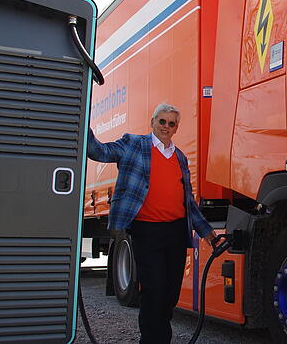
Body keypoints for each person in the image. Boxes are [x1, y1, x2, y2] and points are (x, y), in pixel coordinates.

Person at [87, 103, 221, 344]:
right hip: (147, 230)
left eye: (171, 123)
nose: (166, 127)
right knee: (153, 290)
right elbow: (101, 152)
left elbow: (188, 202)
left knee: (170, 293)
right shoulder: (133, 144)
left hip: (175, 231)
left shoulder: (180, 157)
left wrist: (208, 233)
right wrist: (83, 128)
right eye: (162, 121)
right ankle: (152, 340)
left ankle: (160, 337)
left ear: (176, 128)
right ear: (152, 122)